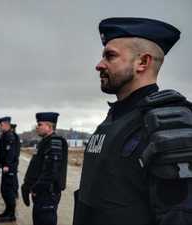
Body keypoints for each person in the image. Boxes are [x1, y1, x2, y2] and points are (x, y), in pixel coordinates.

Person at [73, 17, 192, 225]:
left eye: (110, 56)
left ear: (143, 62)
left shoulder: (169, 124)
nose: (99, 65)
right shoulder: (115, 118)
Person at [21, 112, 68, 225]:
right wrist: (27, 186)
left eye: (39, 124)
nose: (37, 127)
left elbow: (51, 172)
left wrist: (36, 188)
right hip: (42, 194)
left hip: (47, 194)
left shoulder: (54, 142)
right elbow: (37, 168)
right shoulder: (44, 142)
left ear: (49, 126)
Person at [0, 116, 19, 223]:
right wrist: (0, 163)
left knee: (9, 192)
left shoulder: (10, 136)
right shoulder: (5, 135)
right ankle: (7, 211)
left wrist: (7, 165)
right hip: (5, 168)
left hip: (9, 169)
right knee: (4, 191)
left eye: (1, 125)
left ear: (6, 124)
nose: (0, 127)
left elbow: (11, 153)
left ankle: (11, 215)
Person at [10, 123, 21, 198]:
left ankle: (15, 192)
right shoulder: (15, 136)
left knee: (13, 177)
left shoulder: (13, 137)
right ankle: (14, 192)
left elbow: (14, 150)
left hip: (13, 160)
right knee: (13, 176)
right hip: (14, 160)